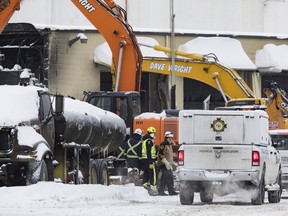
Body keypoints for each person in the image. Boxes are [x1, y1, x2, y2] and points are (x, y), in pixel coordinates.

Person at [157, 131, 178, 196]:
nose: (171, 139)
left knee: (165, 178)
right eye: (169, 138)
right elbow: (160, 154)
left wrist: (171, 163)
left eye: (171, 138)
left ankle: (161, 191)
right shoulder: (163, 144)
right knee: (169, 177)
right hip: (164, 164)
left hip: (168, 164)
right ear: (166, 138)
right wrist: (166, 162)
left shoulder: (169, 145)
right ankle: (171, 191)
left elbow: (169, 155)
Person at [141, 126, 158, 195]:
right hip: (149, 160)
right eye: (152, 133)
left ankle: (145, 185)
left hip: (145, 160)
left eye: (154, 133)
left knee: (146, 173)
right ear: (148, 133)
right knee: (152, 174)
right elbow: (148, 152)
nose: (153, 135)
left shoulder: (145, 141)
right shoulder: (149, 141)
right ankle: (153, 188)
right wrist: (151, 161)